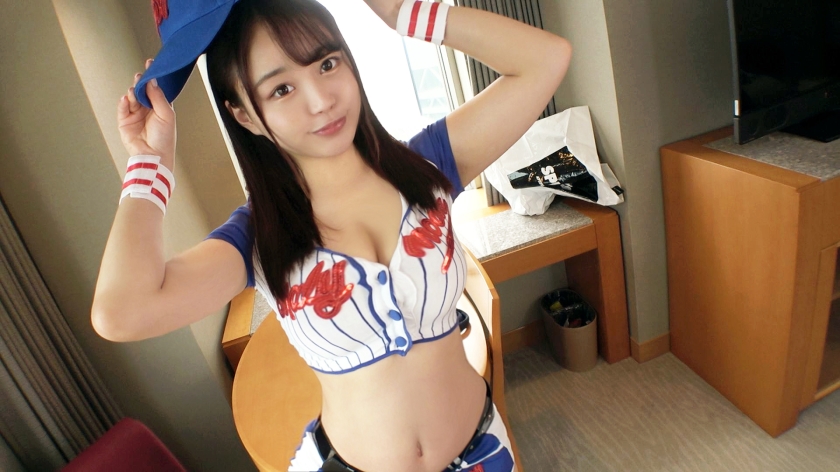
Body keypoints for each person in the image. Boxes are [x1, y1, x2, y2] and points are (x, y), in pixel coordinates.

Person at [92, 0, 570, 470]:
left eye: (326, 63)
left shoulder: (428, 166)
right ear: (244, 115)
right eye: (281, 89)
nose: (322, 101)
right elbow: (122, 313)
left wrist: (402, 13)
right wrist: (149, 164)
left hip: (483, 453)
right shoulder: (259, 238)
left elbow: (546, 59)